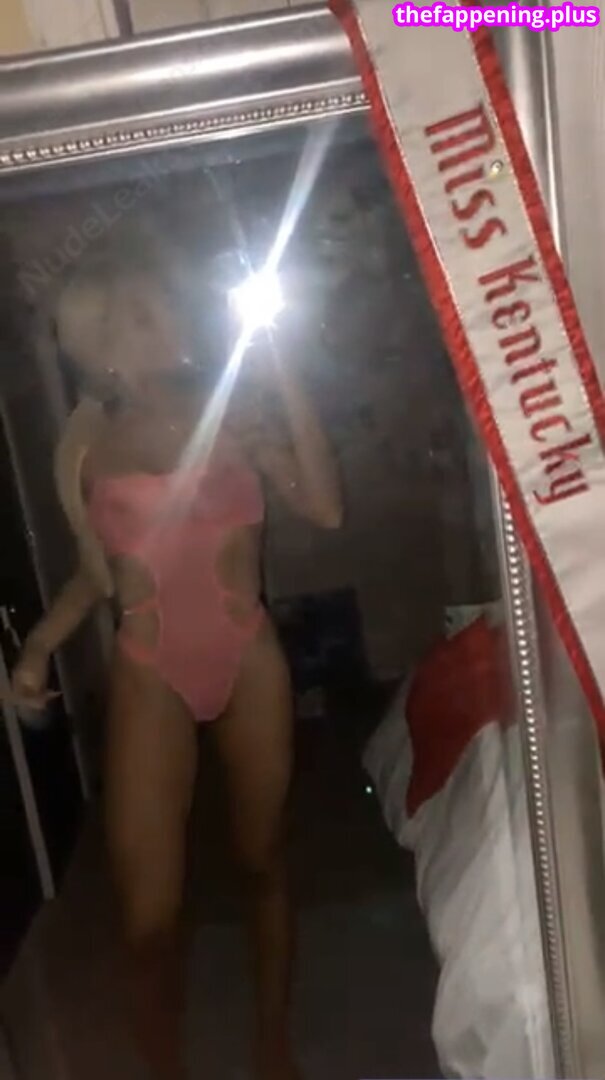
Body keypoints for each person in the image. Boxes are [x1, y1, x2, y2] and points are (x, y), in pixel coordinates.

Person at [10, 239, 343, 1080]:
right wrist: (39, 647)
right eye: (141, 312)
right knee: (147, 922)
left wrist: (283, 366)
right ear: (103, 344)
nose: (168, 319)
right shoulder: (81, 447)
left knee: (262, 863)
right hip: (149, 669)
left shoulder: (235, 407)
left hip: (247, 658)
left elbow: (324, 508)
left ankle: (272, 1048)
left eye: (163, 302)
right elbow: (98, 576)